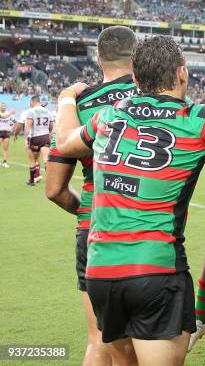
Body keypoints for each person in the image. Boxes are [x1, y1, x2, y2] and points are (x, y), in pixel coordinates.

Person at [54, 32, 205, 366]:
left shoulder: (108, 117)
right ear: (182, 73)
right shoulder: (197, 119)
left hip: (101, 271)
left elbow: (66, 142)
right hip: (154, 269)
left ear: (136, 78)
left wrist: (66, 98)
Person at [45, 25, 140, 366]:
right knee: (153, 344)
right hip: (152, 228)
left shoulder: (79, 106)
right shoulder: (160, 94)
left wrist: (88, 208)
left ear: (99, 59)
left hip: (96, 227)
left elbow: (54, 188)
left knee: (99, 340)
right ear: (137, 53)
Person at [24, 95, 53, 186]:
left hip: (35, 137)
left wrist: (25, 139)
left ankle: (32, 180)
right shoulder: (48, 111)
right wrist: (48, 134)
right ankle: (50, 182)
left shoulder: (31, 111)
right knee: (46, 159)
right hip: (45, 136)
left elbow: (28, 126)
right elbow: (51, 126)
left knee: (32, 160)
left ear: (33, 102)